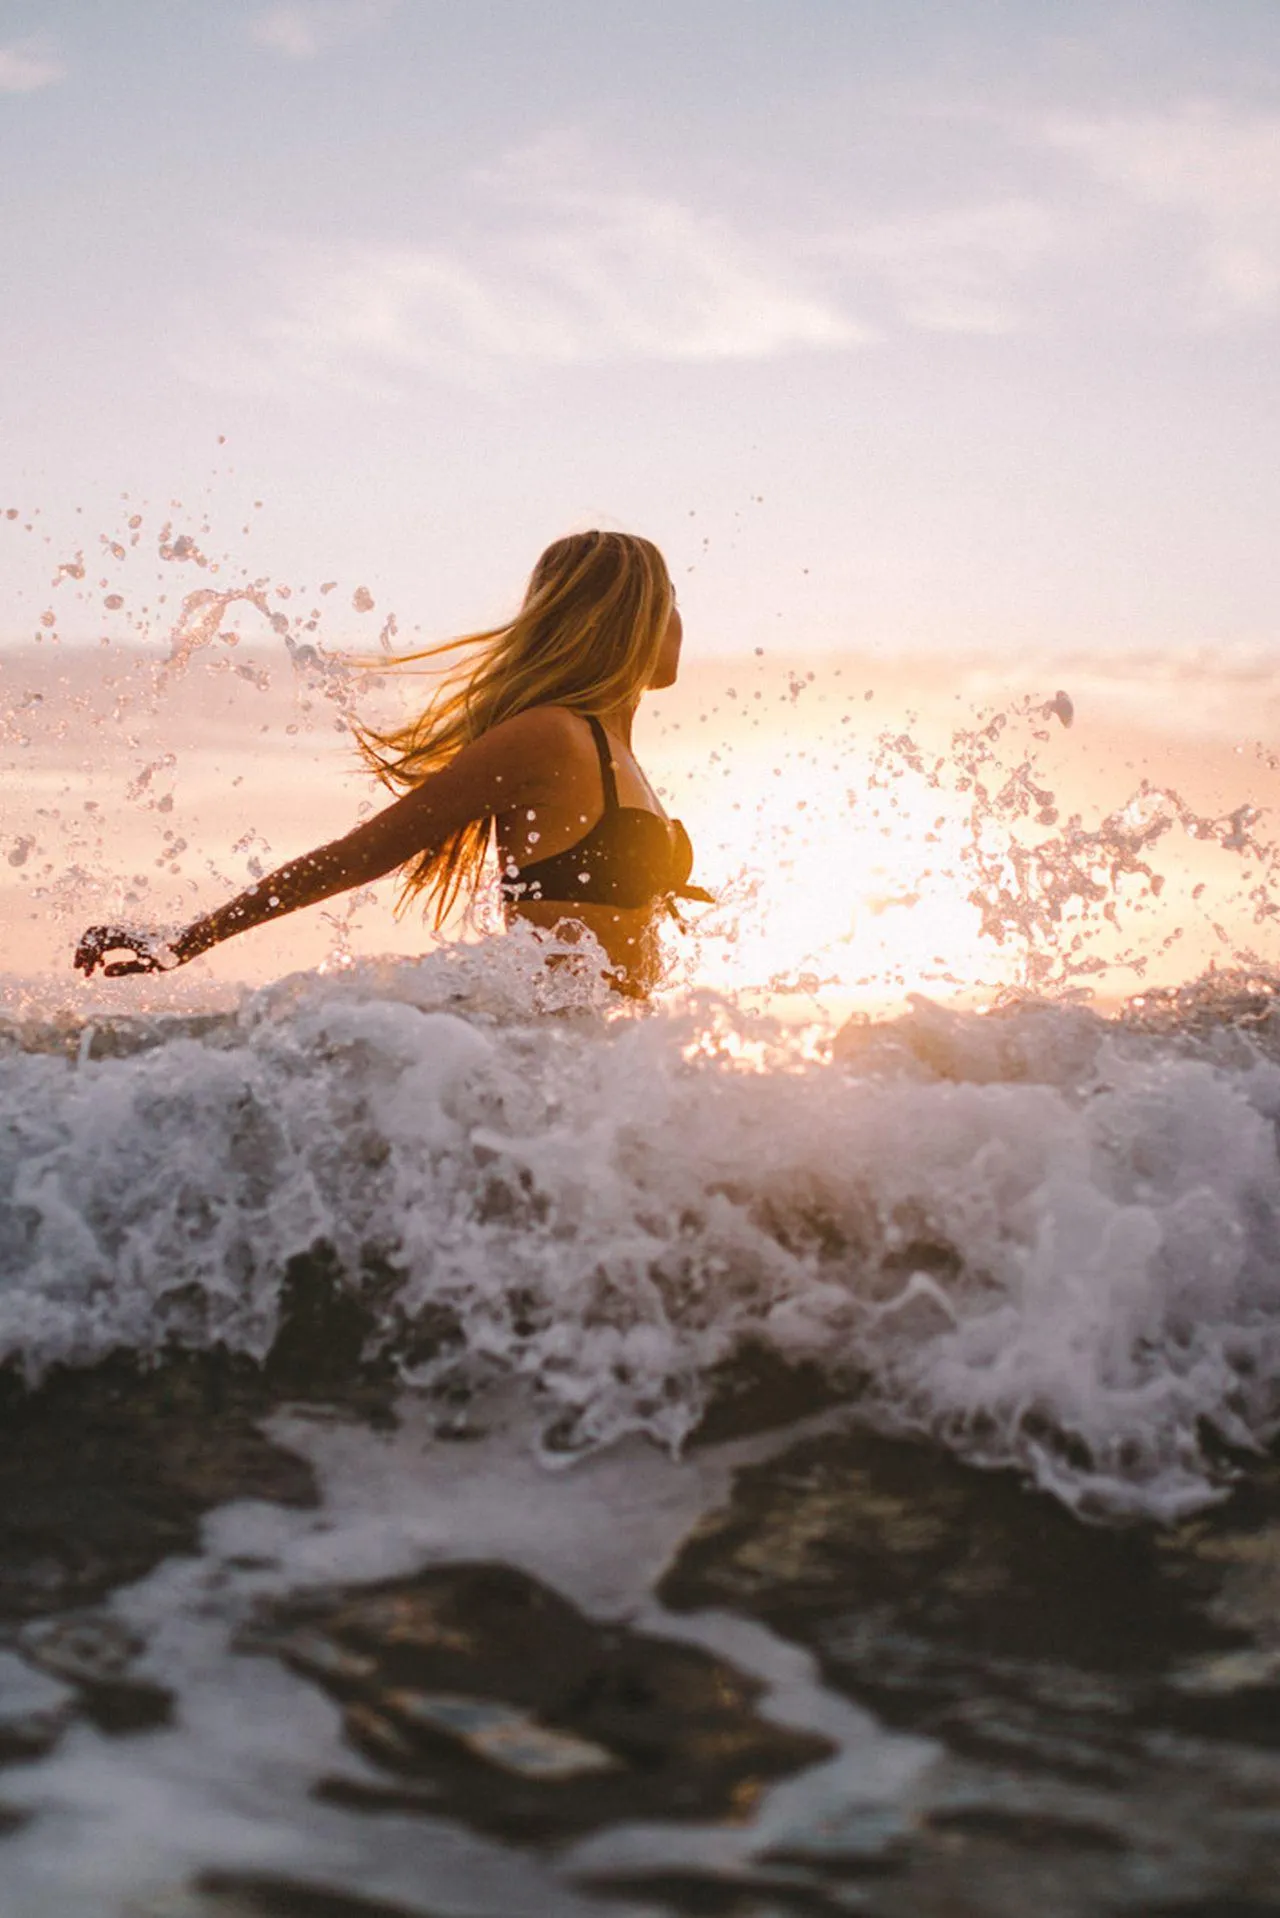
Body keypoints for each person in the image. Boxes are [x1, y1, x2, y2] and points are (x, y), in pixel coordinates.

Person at [73, 530, 710, 998]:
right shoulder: (553, 737)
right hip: (544, 1055)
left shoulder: (617, 752)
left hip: (608, 1061)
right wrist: (185, 940)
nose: (682, 621)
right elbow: (361, 855)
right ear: (630, 618)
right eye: (670, 601)